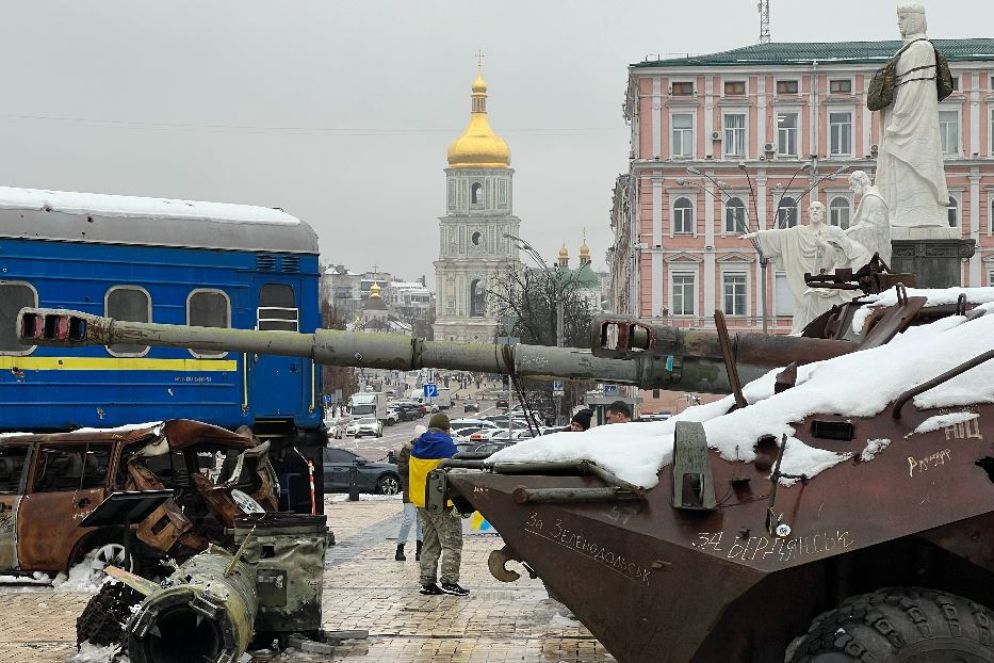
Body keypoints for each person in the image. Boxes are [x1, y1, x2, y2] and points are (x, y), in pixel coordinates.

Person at [874, 4, 954, 238]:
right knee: (901, 171)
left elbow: (914, 90)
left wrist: (898, 120)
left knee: (912, 166)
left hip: (913, 124)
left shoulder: (921, 49)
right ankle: (903, 215)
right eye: (899, 18)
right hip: (905, 119)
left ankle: (920, 215)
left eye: (903, 18)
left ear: (915, 20)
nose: (899, 23)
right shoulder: (908, 50)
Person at [743, 202, 837, 335]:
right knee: (802, 305)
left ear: (824, 212)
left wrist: (822, 245)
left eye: (818, 208)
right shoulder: (799, 232)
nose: (815, 211)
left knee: (820, 305)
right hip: (802, 273)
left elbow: (836, 255)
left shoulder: (830, 232)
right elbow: (779, 235)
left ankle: (820, 331)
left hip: (822, 273)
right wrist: (758, 234)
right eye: (812, 209)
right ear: (808, 213)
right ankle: (801, 332)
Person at [409, 413, 468, 596]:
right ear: (445, 428)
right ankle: (450, 581)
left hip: (421, 502)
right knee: (452, 541)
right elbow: (456, 471)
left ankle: (427, 582)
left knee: (430, 542)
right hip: (442, 502)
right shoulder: (446, 445)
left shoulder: (418, 444)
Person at [847, 170, 892, 265]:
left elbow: (867, 227)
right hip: (874, 246)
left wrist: (845, 233)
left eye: (852, 184)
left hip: (876, 250)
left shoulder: (872, 198)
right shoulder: (869, 197)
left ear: (860, 181)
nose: (851, 188)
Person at [394, 425, 425, 562]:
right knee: (408, 519)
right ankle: (400, 549)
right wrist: (413, 462)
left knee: (421, 521)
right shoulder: (406, 451)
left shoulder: (426, 450)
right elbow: (401, 470)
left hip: (423, 490)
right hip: (410, 490)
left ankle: (420, 550)